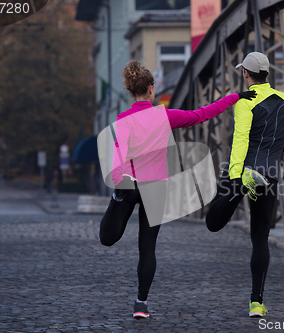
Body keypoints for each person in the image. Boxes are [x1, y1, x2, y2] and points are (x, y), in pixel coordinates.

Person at [98, 60, 256, 318]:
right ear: (152, 89)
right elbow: (202, 113)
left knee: (108, 237)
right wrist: (235, 96)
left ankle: (117, 198)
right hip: (156, 188)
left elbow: (118, 155)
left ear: (130, 91)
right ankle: (142, 304)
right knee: (147, 247)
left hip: (129, 184)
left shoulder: (123, 120)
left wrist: (119, 182)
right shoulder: (165, 115)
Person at [205, 52, 284, 317]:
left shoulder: (246, 102)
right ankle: (256, 303)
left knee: (213, 222)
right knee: (260, 238)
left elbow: (241, 139)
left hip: (244, 169)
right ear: (267, 74)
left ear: (246, 74)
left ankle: (239, 191)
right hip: (270, 174)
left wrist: (235, 176)